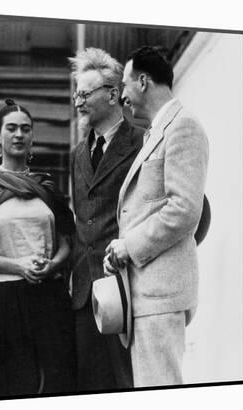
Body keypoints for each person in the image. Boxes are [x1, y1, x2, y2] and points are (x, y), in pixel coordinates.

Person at [0, 99, 76, 399]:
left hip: (48, 296)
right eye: (11, 128)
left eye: (26, 129)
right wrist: (18, 266)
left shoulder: (46, 187)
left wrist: (53, 264)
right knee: (3, 386)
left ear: (32, 137)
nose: (19, 134)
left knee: (55, 383)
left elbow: (66, 243)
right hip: (0, 301)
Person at [105, 46, 209, 387]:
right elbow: (147, 207)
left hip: (160, 296)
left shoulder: (184, 127)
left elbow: (184, 209)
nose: (122, 95)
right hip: (146, 295)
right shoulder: (158, 130)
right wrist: (120, 251)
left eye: (125, 83)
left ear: (144, 81)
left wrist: (129, 246)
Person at [68, 47, 143, 391]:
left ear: (113, 94)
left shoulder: (144, 143)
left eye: (85, 93)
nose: (78, 102)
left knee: (130, 384)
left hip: (130, 287)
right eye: (76, 94)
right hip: (86, 293)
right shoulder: (78, 154)